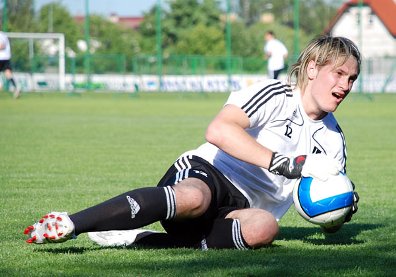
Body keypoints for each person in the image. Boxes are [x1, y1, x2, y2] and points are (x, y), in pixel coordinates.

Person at [24, 36, 360, 249]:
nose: (346, 85)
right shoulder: (275, 95)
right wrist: (292, 164)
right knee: (194, 198)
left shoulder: (334, 140)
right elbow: (218, 130)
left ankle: (140, 239)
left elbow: (323, 214)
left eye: (352, 79)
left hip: (242, 211)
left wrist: (338, 211)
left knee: (265, 229)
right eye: (340, 74)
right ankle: (71, 223)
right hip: (210, 173)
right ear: (313, 68)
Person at [0, 32, 20, 98]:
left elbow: (2, 46)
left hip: (1, 58)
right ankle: (16, 88)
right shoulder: (4, 35)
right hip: (6, 58)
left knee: (8, 73)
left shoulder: (1, 35)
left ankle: (1, 84)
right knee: (8, 74)